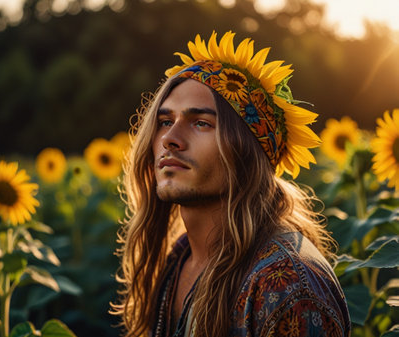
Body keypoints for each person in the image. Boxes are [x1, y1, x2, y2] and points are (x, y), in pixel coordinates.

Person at [111, 31, 351, 337]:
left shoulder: (288, 285)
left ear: (247, 153)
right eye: (165, 121)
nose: (169, 139)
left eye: (201, 123)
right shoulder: (178, 259)